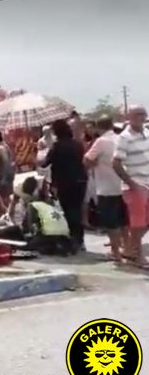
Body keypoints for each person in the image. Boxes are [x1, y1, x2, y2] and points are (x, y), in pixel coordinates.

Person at [84, 115, 128, 263]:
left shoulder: (101, 141)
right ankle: (128, 248)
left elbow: (86, 160)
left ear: (98, 127)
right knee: (123, 221)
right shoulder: (120, 139)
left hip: (106, 188)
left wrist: (95, 163)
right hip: (122, 185)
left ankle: (116, 253)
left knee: (111, 223)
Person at [42, 119, 88, 253]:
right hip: (80, 180)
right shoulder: (77, 145)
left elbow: (45, 163)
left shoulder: (57, 146)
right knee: (77, 209)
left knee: (68, 210)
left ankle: (73, 239)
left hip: (64, 181)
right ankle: (80, 239)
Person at [113, 105, 149, 268]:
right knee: (138, 222)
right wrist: (131, 183)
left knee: (144, 222)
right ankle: (138, 255)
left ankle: (129, 249)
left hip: (147, 182)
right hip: (136, 184)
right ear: (130, 117)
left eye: (143, 114)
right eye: (138, 114)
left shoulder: (146, 133)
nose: (142, 117)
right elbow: (116, 163)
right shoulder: (124, 137)